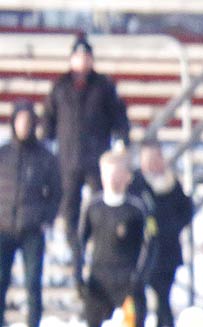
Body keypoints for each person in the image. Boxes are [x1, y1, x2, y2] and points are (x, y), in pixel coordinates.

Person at [69, 147, 150, 327]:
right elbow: (80, 244)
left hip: (128, 279)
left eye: (118, 174)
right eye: (108, 174)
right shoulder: (93, 205)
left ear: (127, 176)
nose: (113, 179)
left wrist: (140, 276)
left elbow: (150, 245)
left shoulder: (137, 207)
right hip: (99, 278)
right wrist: (78, 276)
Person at [43, 34, 129, 259]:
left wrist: (121, 140)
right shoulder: (60, 87)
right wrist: (47, 142)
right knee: (69, 207)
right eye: (78, 56)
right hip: (68, 160)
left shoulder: (104, 86)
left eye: (86, 57)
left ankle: (101, 244)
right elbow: (48, 119)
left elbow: (119, 116)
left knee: (101, 203)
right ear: (71, 59)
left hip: (96, 160)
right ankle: (76, 249)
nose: (82, 61)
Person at [0, 103, 61, 327]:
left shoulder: (45, 157)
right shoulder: (3, 154)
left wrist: (45, 218)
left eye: (28, 121)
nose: (23, 125)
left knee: (32, 285)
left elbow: (56, 193)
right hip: (3, 229)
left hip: (31, 230)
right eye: (20, 120)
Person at [127, 142, 194, 327]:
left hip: (170, 249)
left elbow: (186, 210)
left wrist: (172, 226)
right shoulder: (136, 184)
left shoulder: (171, 183)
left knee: (163, 294)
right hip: (147, 250)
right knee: (160, 296)